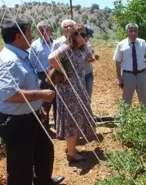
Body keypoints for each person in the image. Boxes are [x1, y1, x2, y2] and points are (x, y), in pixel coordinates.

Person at [0, 19, 64, 185]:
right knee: (20, 164)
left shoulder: (20, 55)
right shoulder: (10, 60)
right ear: (18, 36)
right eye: (29, 32)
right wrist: (40, 95)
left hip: (32, 114)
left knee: (43, 151)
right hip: (18, 121)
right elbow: (9, 94)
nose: (32, 35)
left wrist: (37, 107)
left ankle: (43, 181)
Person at [48, 24, 96, 163]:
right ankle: (72, 153)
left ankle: (71, 148)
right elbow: (52, 58)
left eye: (86, 34)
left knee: (74, 117)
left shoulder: (78, 49)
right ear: (74, 36)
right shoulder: (67, 47)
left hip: (76, 87)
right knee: (72, 119)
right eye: (83, 34)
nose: (86, 37)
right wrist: (63, 72)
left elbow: (88, 54)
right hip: (70, 89)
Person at [113, 23, 146, 106]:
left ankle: (145, 118)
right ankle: (124, 118)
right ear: (127, 32)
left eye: (135, 31)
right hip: (128, 76)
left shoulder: (142, 43)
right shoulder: (121, 44)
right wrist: (119, 78)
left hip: (141, 75)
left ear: (137, 32)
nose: (133, 33)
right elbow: (117, 62)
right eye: (131, 31)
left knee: (144, 101)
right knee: (126, 101)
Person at [29, 21, 56, 132]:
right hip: (43, 76)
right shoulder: (35, 45)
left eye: (46, 29)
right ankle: (45, 127)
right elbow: (31, 64)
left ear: (51, 30)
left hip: (57, 75)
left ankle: (59, 127)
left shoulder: (56, 44)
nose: (44, 31)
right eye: (40, 29)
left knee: (58, 102)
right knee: (45, 102)